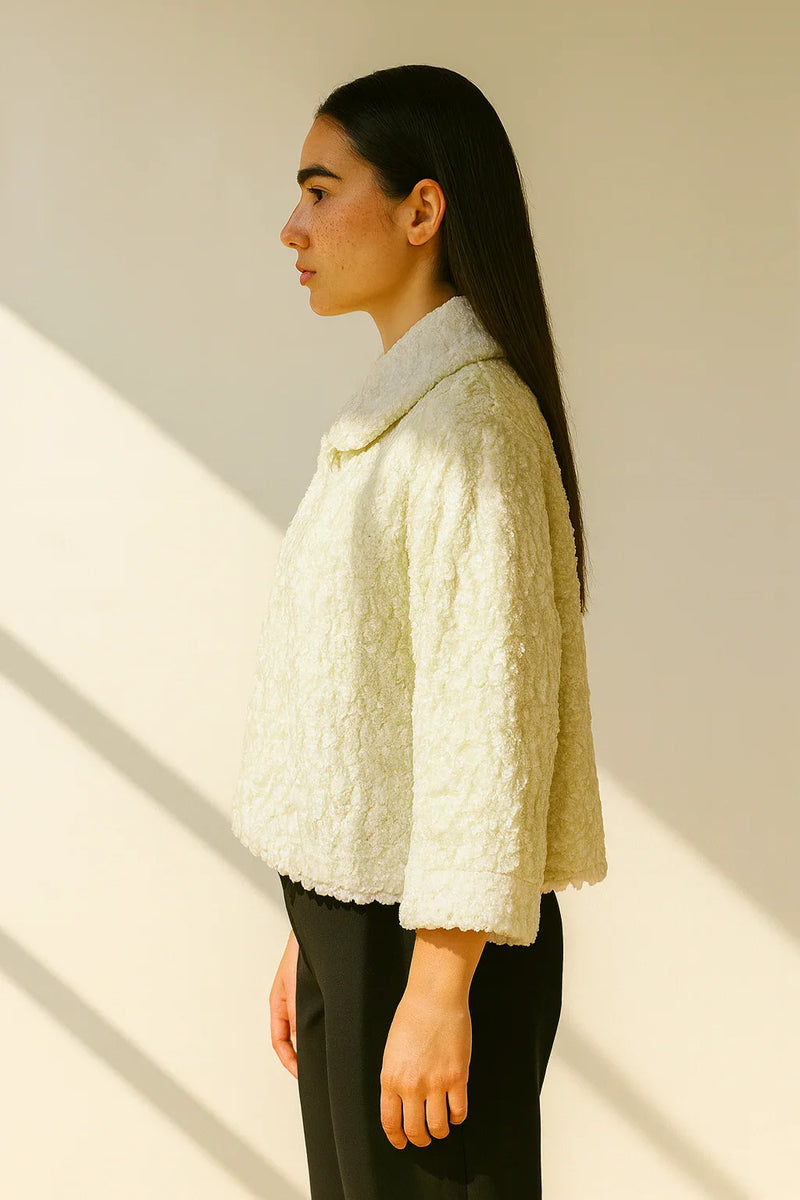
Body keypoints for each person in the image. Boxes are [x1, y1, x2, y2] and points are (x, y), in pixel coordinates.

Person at [231, 64, 609, 1200]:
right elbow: (371, 714)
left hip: (430, 949)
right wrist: (315, 922)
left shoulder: (473, 429)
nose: (291, 224)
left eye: (318, 188)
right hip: (364, 928)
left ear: (421, 209)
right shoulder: (394, 422)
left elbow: (482, 728)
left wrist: (436, 989)